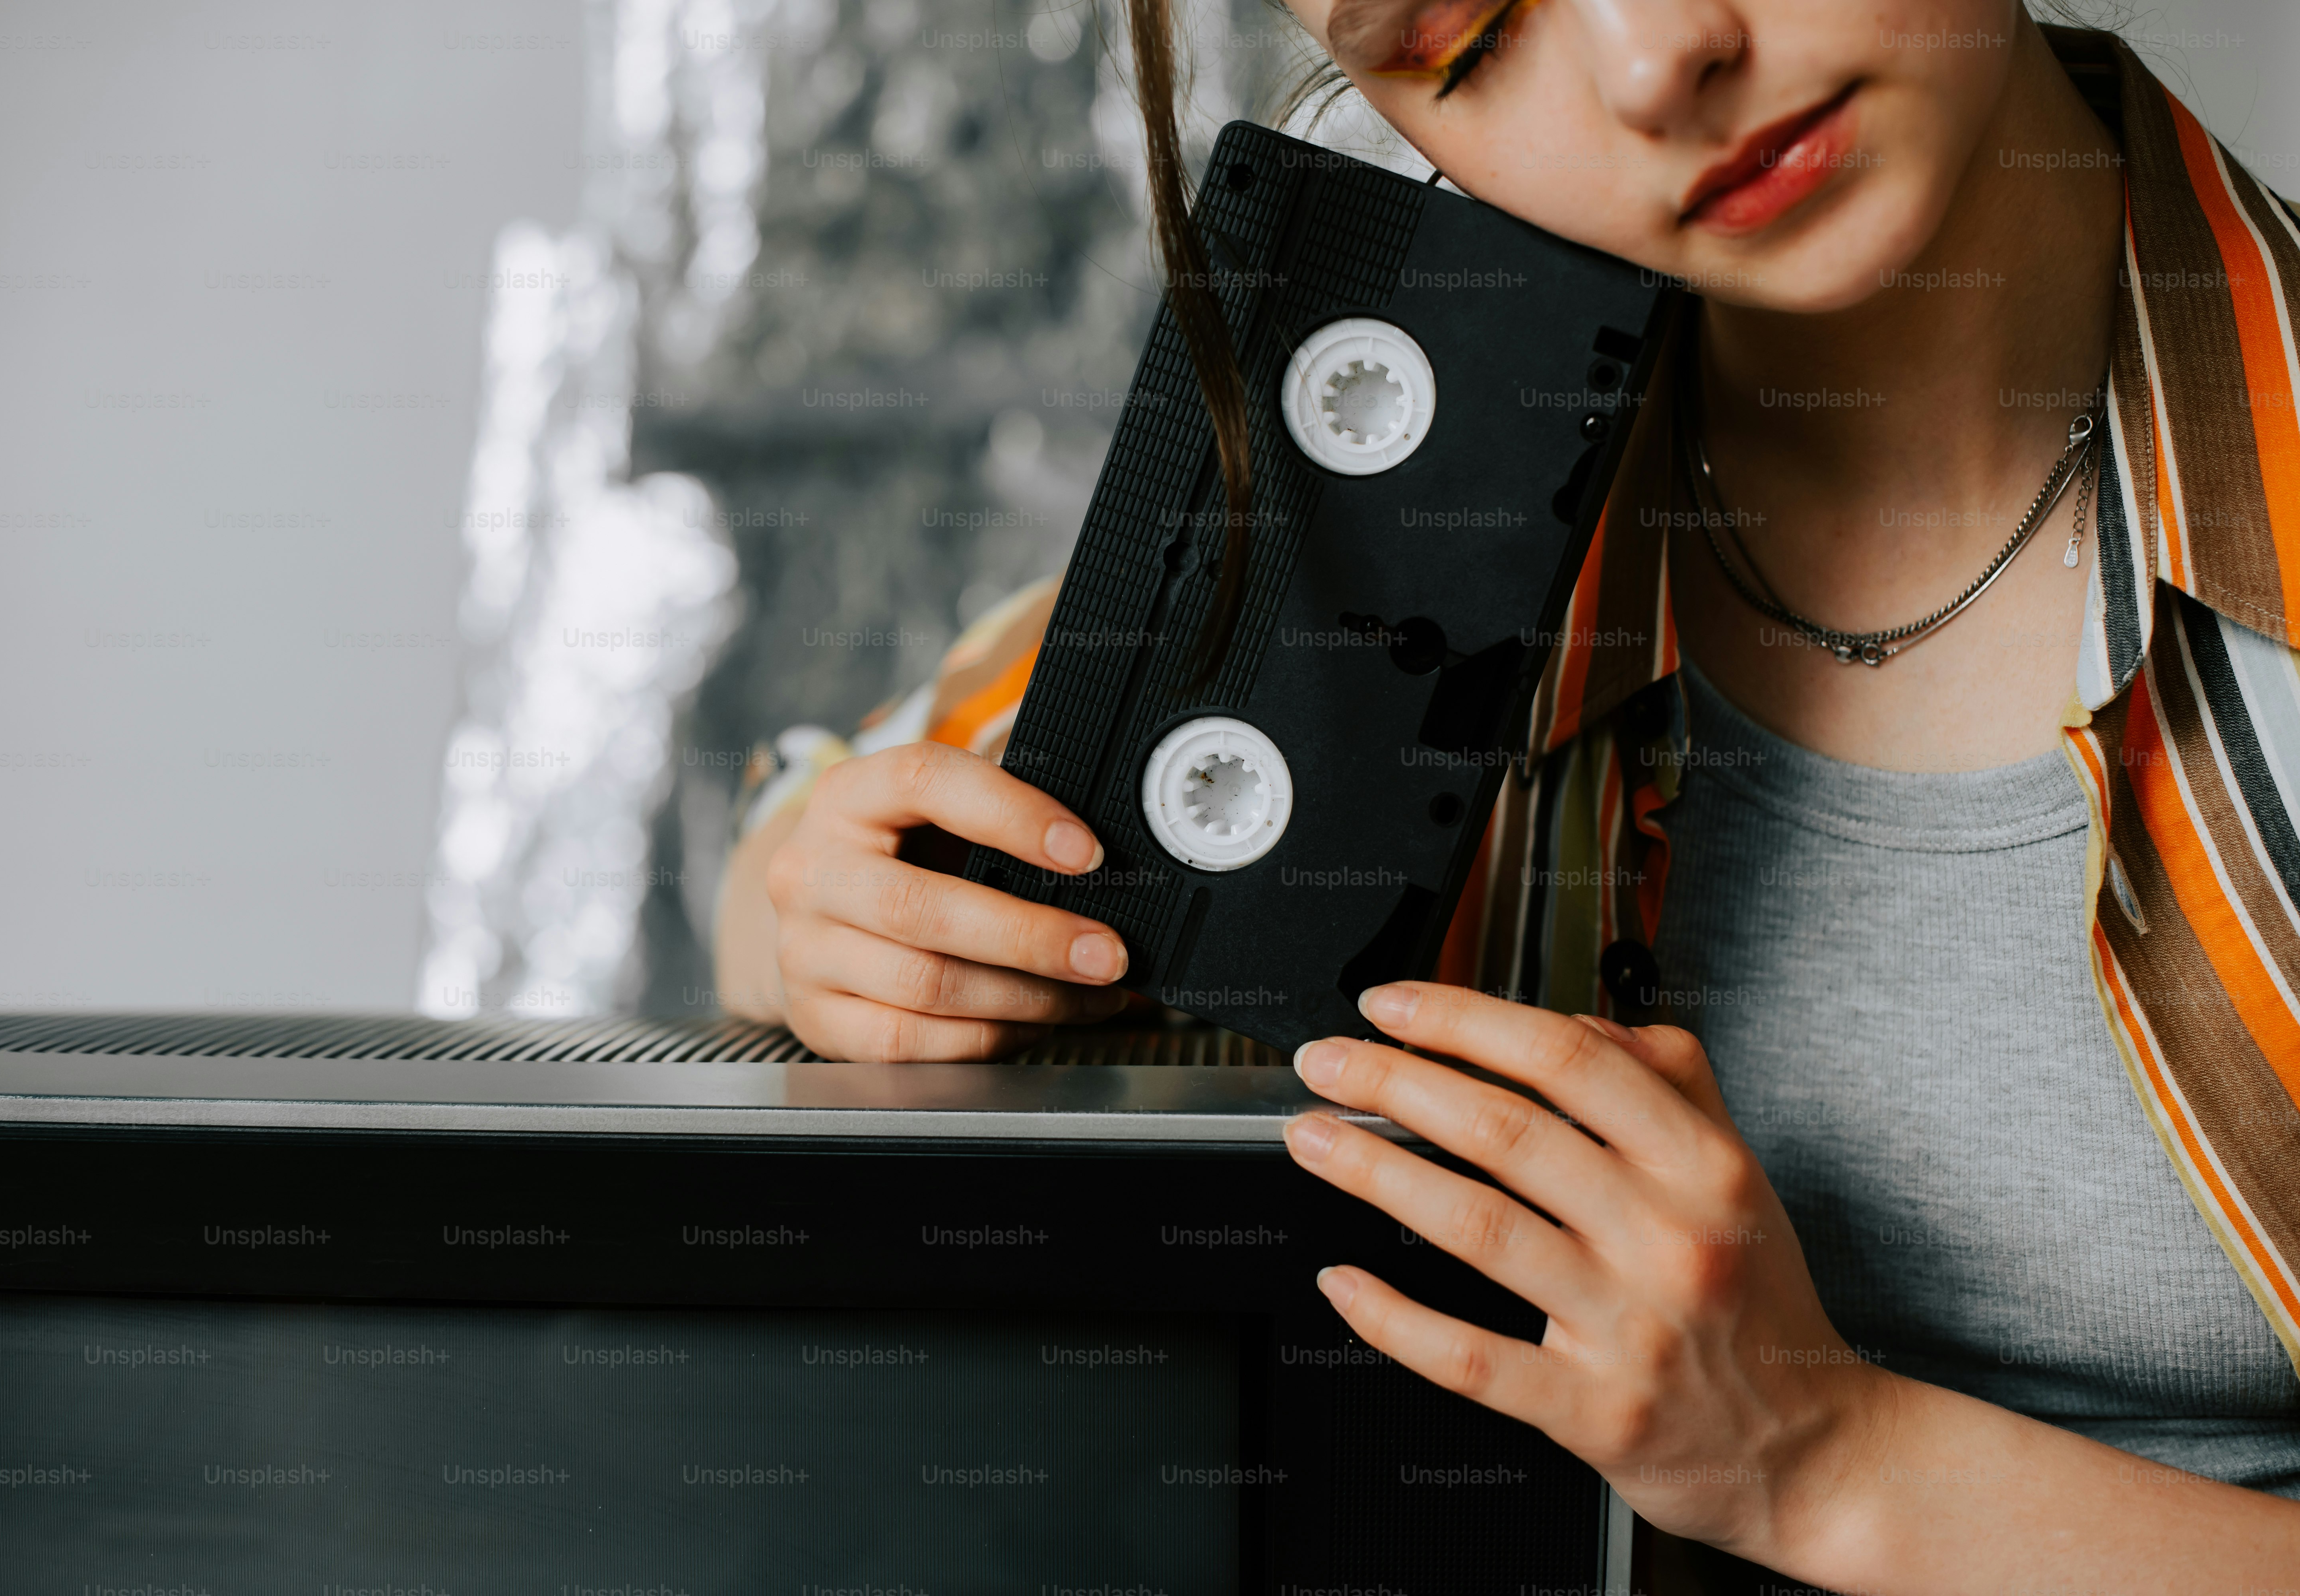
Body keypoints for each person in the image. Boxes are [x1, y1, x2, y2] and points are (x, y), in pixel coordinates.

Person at [716, 0, 2300, 1585]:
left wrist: (1829, 1461)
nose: (1650, 61)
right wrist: (832, 918)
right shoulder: (1428, 443)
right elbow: (826, 820)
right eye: (1463, 43)